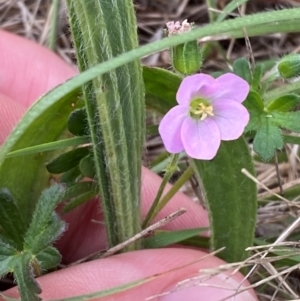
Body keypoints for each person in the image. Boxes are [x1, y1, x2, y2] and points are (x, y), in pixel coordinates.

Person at [0, 30, 257, 301]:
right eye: (198, 106)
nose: (203, 109)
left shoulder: (214, 108)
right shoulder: (183, 110)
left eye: (202, 107)